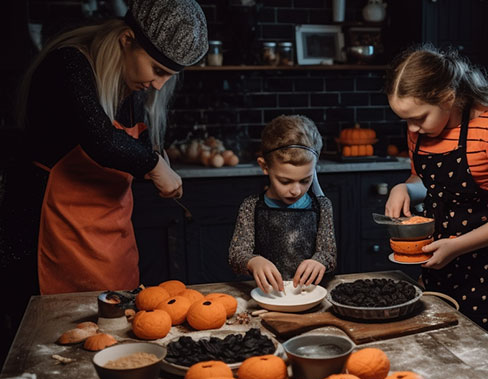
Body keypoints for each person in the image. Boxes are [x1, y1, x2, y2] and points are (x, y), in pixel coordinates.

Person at [1, 0, 208, 296]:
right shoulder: (68, 65)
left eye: (168, 76)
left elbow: (132, 147)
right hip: (52, 235)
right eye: (157, 70)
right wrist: (153, 164)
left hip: (110, 242)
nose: (160, 85)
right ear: (126, 40)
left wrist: (154, 158)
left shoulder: (133, 83)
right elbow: (101, 140)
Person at [383, 45, 488, 350]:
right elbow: (425, 181)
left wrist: (456, 246)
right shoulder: (420, 132)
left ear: (447, 97)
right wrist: (404, 188)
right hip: (440, 261)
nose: (412, 128)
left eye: (418, 118)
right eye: (405, 121)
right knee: (441, 350)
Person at [228, 115, 336, 294]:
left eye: (305, 180)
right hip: (268, 296)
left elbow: (329, 254)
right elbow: (236, 255)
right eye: (285, 181)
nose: (296, 190)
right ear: (264, 166)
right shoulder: (251, 206)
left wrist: (320, 260)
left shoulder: (322, 206)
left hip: (308, 295)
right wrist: (253, 261)